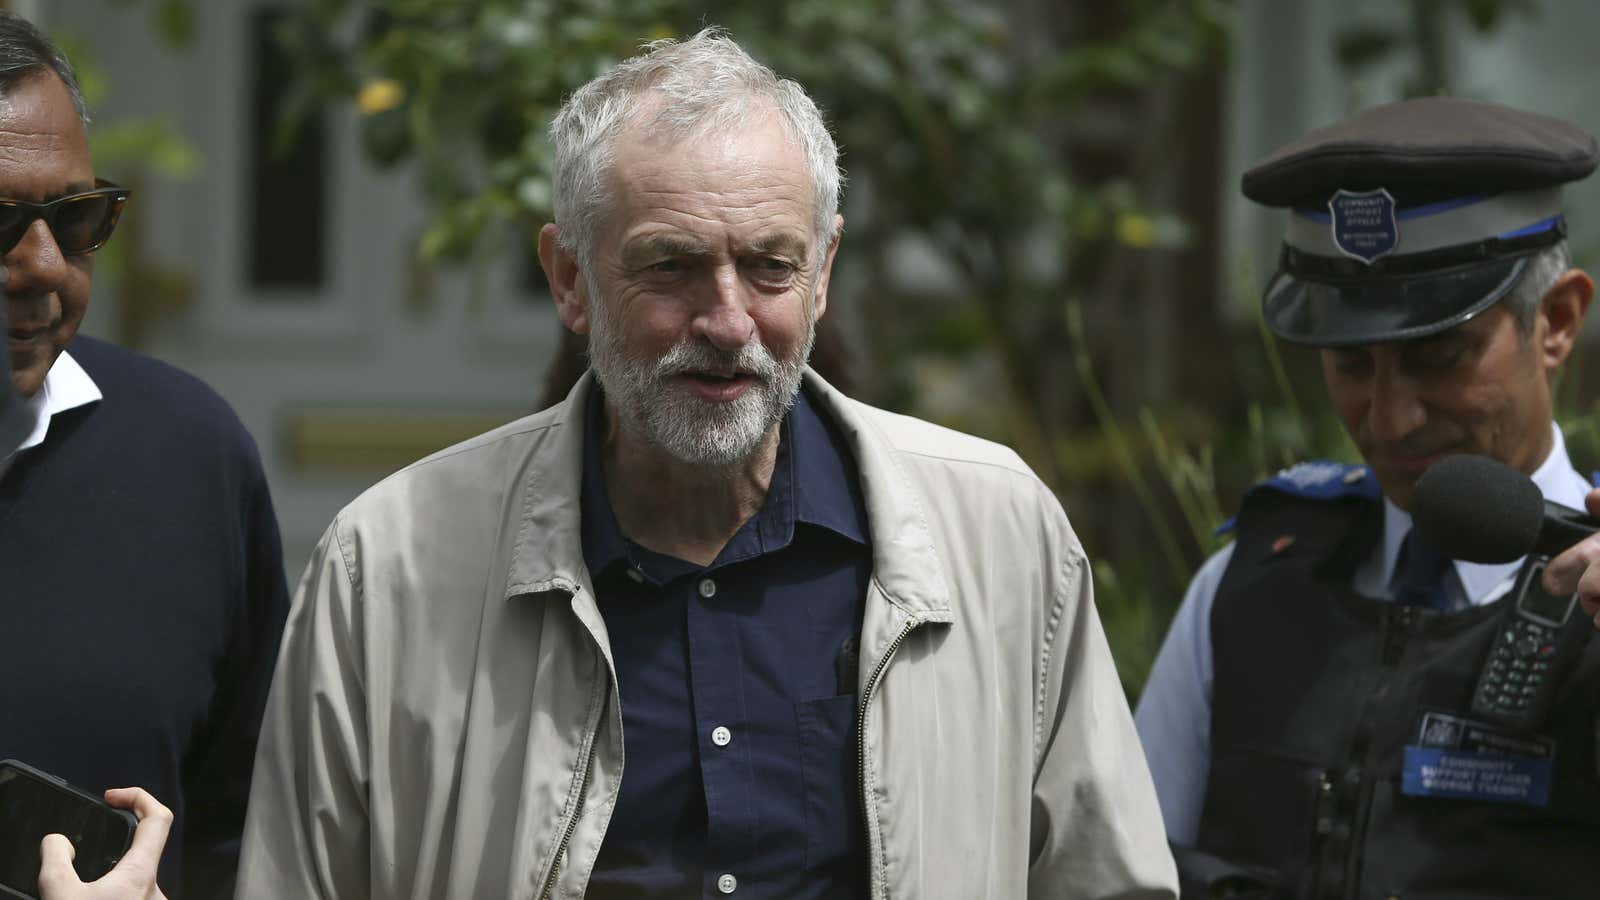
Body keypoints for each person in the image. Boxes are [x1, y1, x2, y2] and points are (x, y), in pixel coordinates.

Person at [236, 28, 1176, 900]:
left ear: (823, 273)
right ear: (569, 279)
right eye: (672, 267)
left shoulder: (1001, 535)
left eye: (770, 266)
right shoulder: (389, 567)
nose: (728, 324)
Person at [1135, 97, 1600, 898]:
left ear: (1556, 323)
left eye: (1438, 356)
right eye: (1351, 364)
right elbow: (1125, 869)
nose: (1389, 419)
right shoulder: (1242, 588)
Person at [0, 12, 291, 898]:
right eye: (1, 220)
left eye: (75, 216)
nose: (43, 264)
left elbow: (250, 830)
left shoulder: (189, 454)